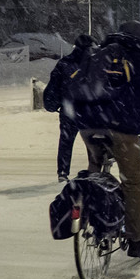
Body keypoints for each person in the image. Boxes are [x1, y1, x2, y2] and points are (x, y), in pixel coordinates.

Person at [75, 21, 140, 258]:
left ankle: (95, 218)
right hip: (122, 127)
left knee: (95, 169)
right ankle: (136, 240)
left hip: (88, 125)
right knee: (132, 181)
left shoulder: (97, 55)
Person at [43, 33, 94, 182]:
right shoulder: (93, 63)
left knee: (66, 142)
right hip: (89, 110)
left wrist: (56, 103)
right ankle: (94, 171)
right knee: (92, 143)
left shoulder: (64, 63)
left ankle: (63, 173)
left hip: (68, 109)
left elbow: (53, 87)